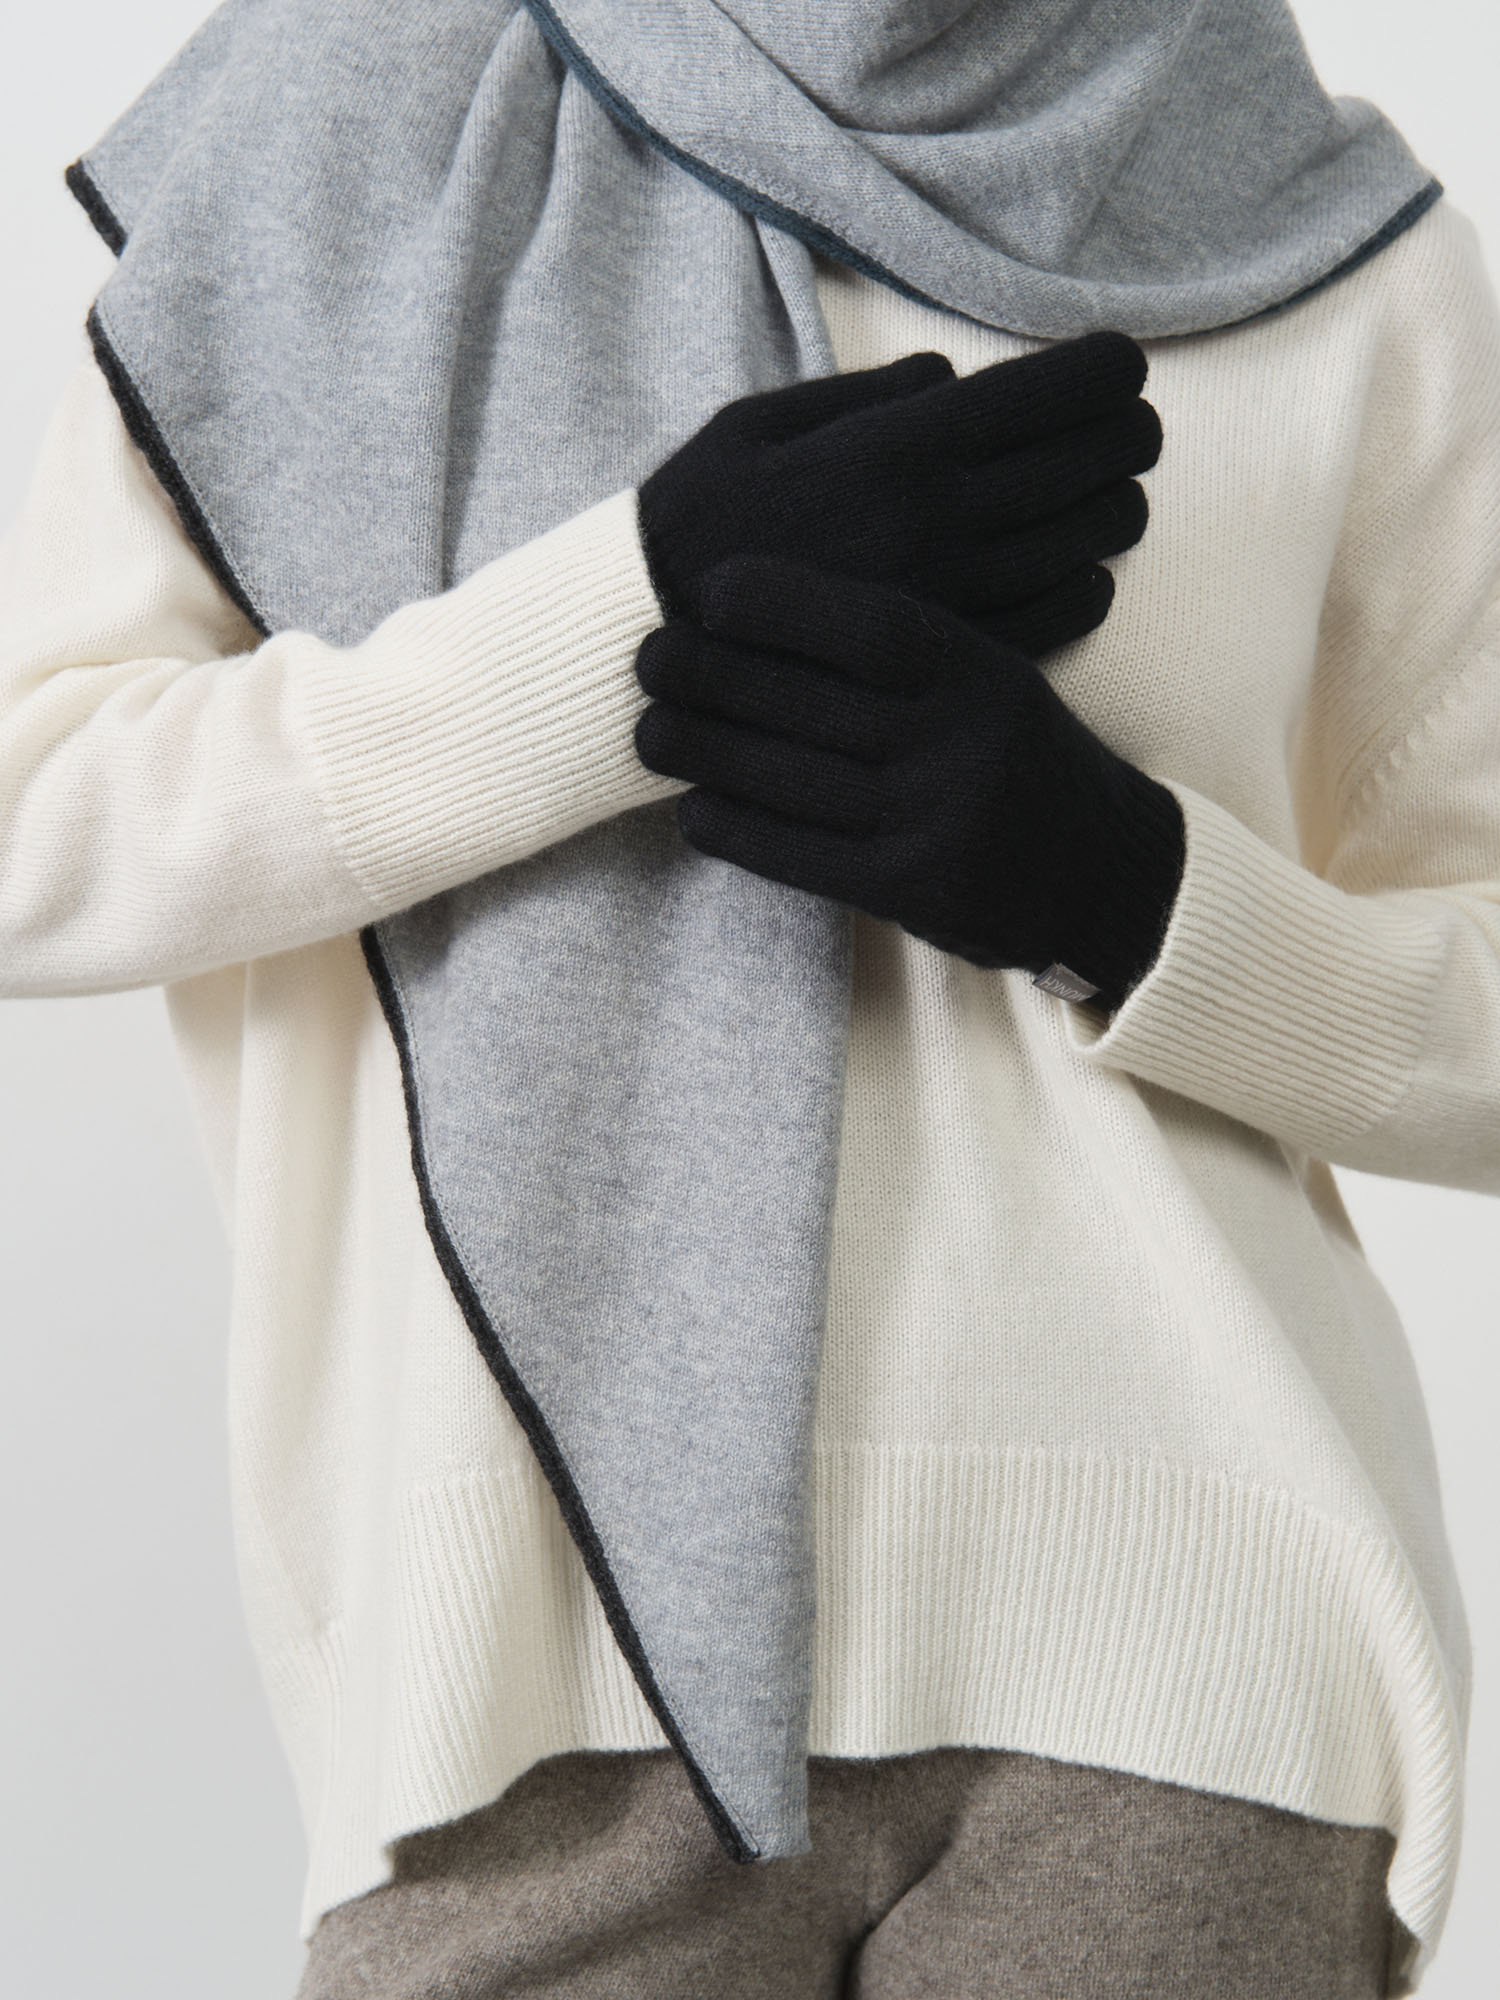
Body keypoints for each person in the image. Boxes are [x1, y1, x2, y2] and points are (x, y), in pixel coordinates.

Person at [2, 2, 1497, 1994]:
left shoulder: (1326, 238)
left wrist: (1134, 894)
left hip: (1192, 1639)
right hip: (535, 1681)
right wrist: (624, 625)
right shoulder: (343, 117)